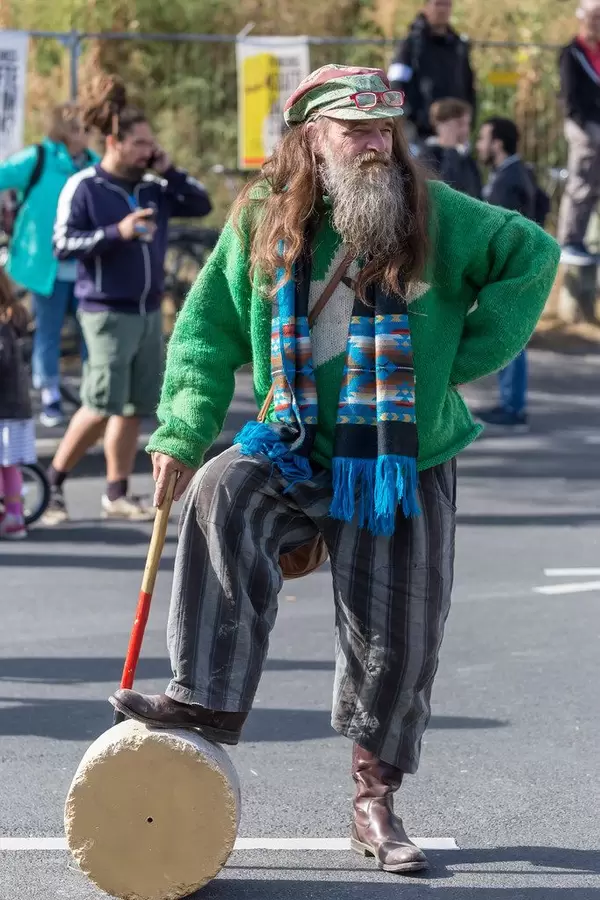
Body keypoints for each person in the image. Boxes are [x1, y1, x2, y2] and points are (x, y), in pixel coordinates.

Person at [109, 66, 559, 874]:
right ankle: (206, 696)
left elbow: (533, 255)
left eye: (384, 129)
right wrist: (181, 431)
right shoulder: (261, 216)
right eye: (356, 130)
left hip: (397, 458)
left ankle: (374, 799)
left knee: (398, 636)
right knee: (222, 491)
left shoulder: (435, 213)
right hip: (291, 441)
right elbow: (207, 331)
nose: (375, 145)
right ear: (312, 136)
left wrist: (449, 365)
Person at [43, 76, 212, 525]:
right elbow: (63, 244)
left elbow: (200, 203)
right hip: (105, 312)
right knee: (101, 405)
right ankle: (52, 485)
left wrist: (168, 168)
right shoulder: (85, 186)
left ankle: (115, 493)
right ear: (114, 142)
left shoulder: (155, 185)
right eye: (140, 143)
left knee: (135, 406)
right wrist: (116, 233)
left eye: (151, 143)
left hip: (149, 311)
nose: (147, 150)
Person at [0, 103, 99, 427]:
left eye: (87, 129)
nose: (85, 135)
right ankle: (50, 395)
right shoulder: (38, 158)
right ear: (64, 130)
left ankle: (94, 397)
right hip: (47, 265)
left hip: (87, 264)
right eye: (79, 128)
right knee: (48, 330)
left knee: (91, 332)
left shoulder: (95, 164)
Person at [475, 116, 540, 431]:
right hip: (515, 269)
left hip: (512, 272)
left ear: (497, 143)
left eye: (483, 139)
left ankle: (513, 408)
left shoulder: (509, 179)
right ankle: (510, 403)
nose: (479, 145)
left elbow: (505, 231)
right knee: (510, 336)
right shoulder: (513, 173)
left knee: (512, 337)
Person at [388, 0, 476, 144]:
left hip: (456, 132)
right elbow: (396, 84)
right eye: (438, 4)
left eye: (447, 4)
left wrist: (468, 120)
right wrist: (411, 119)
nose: (443, 9)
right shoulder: (410, 45)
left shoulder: (458, 46)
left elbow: (469, 84)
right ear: (426, 7)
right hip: (421, 134)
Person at [558, 0, 600, 265]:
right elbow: (570, 97)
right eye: (594, 16)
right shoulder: (572, 53)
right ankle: (570, 239)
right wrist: (588, 127)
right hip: (583, 124)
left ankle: (586, 238)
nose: (597, 23)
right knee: (582, 180)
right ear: (582, 18)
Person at [0, 268, 36, 539]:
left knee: (6, 464)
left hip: (5, 409)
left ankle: (12, 515)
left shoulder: (2, 326)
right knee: (9, 465)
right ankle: (14, 515)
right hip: (15, 408)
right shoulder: (11, 318)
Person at [421, 98, 481, 197]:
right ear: (442, 125)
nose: (466, 130)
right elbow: (448, 187)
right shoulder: (429, 155)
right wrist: (450, 148)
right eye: (460, 124)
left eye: (468, 124)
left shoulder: (466, 156)